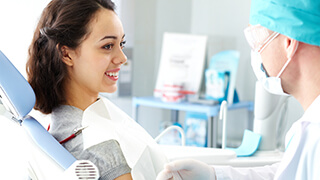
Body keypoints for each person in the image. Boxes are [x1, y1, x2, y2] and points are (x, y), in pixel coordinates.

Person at [156, 0, 320, 179]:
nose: (256, 51)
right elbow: (286, 174)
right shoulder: (310, 130)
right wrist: (215, 176)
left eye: (257, 37)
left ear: (289, 42)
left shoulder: (315, 134)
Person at [26, 0, 167, 179]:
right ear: (66, 54)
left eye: (121, 44)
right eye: (107, 46)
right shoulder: (99, 147)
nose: (122, 58)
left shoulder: (62, 121)